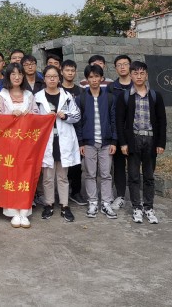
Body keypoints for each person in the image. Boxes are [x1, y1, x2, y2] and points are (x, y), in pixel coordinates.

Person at [116, 61, 167, 225]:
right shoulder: (125, 96)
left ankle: (149, 207)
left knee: (149, 176)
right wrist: (123, 143)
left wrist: (161, 143)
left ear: (146, 75)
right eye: (135, 73)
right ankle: (137, 207)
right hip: (133, 140)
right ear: (131, 75)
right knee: (133, 176)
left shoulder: (155, 96)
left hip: (150, 140)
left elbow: (162, 121)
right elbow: (120, 122)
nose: (139, 76)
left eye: (142, 73)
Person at [34, 65, 80, 222]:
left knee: (62, 176)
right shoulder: (37, 97)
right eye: (49, 76)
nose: (52, 79)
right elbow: (32, 119)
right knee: (47, 176)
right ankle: (49, 204)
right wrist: (44, 118)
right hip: (47, 141)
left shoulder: (67, 96)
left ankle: (64, 205)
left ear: (59, 78)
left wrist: (65, 116)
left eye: (54, 76)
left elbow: (77, 116)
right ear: (44, 79)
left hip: (63, 140)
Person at [0, 63, 38, 228]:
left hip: (26, 143)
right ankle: (12, 211)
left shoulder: (29, 95)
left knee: (25, 176)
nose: (17, 77)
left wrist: (30, 114)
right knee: (10, 175)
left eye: (20, 74)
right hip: (8, 143)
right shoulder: (2, 95)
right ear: (8, 76)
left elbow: (37, 115)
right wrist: (10, 114)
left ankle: (24, 211)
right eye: (13, 74)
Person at [75, 64, 118, 220]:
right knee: (90, 174)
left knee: (106, 174)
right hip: (89, 143)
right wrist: (81, 143)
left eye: (96, 76)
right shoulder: (81, 98)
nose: (94, 80)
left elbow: (114, 121)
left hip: (106, 142)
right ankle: (92, 202)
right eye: (91, 77)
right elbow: (78, 122)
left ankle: (106, 203)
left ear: (102, 78)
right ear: (87, 79)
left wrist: (114, 141)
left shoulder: (110, 97)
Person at [108, 54, 133, 211]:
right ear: (115, 68)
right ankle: (120, 196)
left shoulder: (138, 85)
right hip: (117, 132)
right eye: (119, 65)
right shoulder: (111, 88)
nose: (122, 67)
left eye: (125, 64)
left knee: (134, 164)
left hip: (134, 132)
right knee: (118, 166)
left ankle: (136, 197)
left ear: (130, 66)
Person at [60, 59, 84, 206]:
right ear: (61, 72)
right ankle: (61, 193)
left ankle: (76, 192)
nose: (70, 73)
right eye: (67, 70)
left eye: (72, 70)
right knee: (61, 165)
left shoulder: (80, 91)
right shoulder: (57, 90)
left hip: (77, 131)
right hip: (61, 132)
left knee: (76, 164)